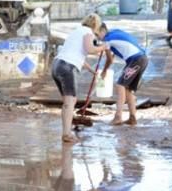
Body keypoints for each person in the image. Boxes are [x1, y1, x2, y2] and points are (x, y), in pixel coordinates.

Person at [50, 13, 110, 144]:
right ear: (95, 25)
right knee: (70, 102)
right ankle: (66, 134)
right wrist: (103, 47)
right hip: (67, 67)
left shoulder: (76, 32)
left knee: (68, 101)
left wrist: (91, 71)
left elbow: (78, 55)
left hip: (56, 65)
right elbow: (89, 49)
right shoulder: (88, 32)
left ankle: (66, 131)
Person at [98, 23, 149, 126]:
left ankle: (118, 117)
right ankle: (132, 118)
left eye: (97, 34)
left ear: (102, 31)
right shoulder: (114, 32)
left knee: (120, 85)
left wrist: (104, 71)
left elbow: (109, 60)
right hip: (142, 59)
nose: (97, 37)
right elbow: (114, 54)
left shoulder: (106, 40)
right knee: (128, 90)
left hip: (136, 60)